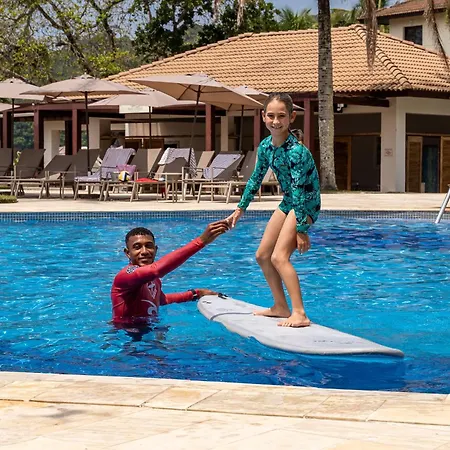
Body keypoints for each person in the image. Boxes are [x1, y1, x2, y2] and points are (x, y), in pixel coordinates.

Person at [226, 93, 320, 328]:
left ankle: (300, 313)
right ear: (263, 117)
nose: (275, 121)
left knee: (279, 257)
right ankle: (280, 307)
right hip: (289, 201)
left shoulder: (296, 151)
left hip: (305, 202)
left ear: (292, 117)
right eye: (271, 116)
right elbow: (255, 178)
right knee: (262, 255)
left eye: (281, 116)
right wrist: (240, 208)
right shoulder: (266, 147)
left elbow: (300, 190)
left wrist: (301, 229)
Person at [111, 221, 229, 325]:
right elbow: (156, 270)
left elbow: (162, 300)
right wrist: (201, 241)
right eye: (137, 247)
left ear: (156, 250)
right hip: (126, 337)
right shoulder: (125, 276)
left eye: (148, 246)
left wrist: (196, 293)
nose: (144, 251)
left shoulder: (154, 280)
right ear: (128, 253)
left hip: (149, 332)